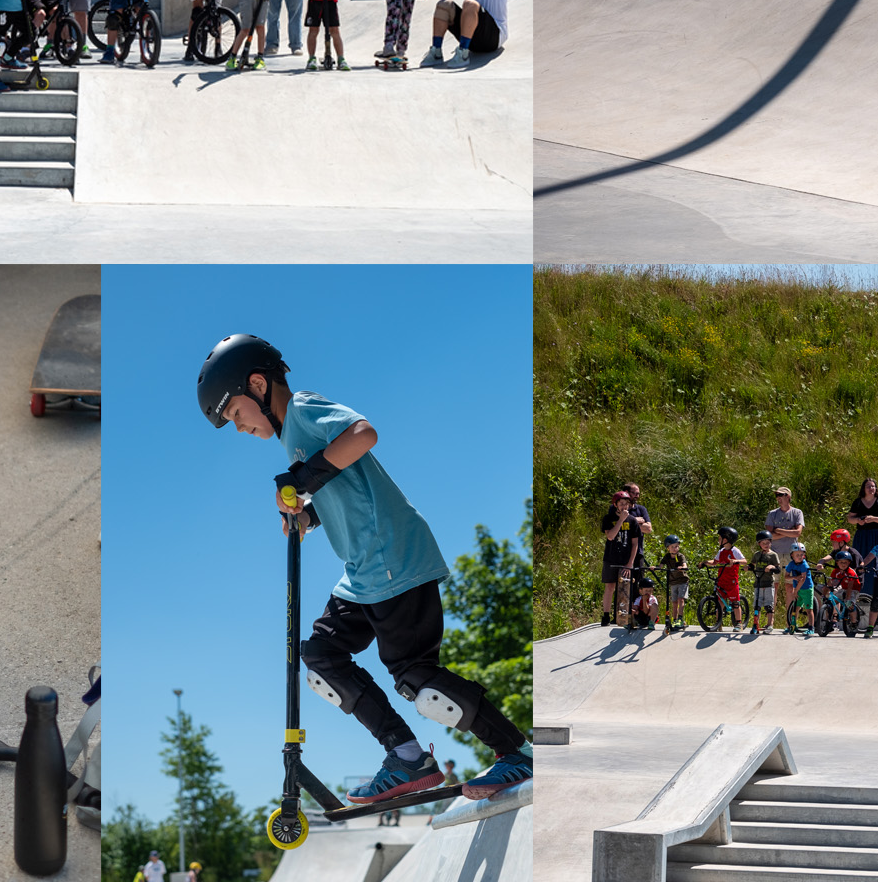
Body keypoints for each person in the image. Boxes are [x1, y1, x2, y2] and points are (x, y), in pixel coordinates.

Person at [192, 334, 528, 802]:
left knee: (416, 676)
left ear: (257, 385)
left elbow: (363, 434)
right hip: (364, 573)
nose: (239, 427)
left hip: (392, 558)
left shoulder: (304, 409)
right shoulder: (291, 439)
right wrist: (309, 514)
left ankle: (516, 752)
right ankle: (407, 757)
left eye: (235, 414)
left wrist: (305, 478)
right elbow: (343, 489)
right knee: (321, 658)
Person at [597, 485, 647, 626]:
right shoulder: (608, 518)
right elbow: (611, 536)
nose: (624, 506)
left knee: (625, 588)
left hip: (625, 559)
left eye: (626, 504)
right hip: (611, 558)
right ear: (616, 505)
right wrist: (620, 520)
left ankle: (623, 617)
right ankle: (606, 615)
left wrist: (630, 563)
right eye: (621, 504)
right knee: (610, 587)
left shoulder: (632, 521)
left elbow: (635, 543)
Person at [765, 486, 805, 615]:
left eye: (781, 495)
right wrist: (789, 532)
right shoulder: (772, 514)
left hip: (791, 554)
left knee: (790, 586)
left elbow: (798, 532)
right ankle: (770, 620)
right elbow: (769, 536)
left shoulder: (797, 513)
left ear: (788, 497)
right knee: (773, 587)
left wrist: (778, 530)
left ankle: (790, 620)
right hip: (774, 553)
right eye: (777, 496)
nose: (778, 498)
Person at [746, 530, 780, 634]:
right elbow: (752, 564)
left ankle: (770, 625)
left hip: (769, 583)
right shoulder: (757, 555)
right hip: (758, 583)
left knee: (769, 605)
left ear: (771, 542)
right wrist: (748, 567)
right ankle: (755, 624)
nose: (766, 545)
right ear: (759, 544)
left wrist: (771, 567)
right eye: (763, 543)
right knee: (757, 604)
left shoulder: (773, 555)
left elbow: (778, 569)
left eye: (768, 543)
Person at [655, 532, 689, 632]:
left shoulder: (680, 556)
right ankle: (674, 620)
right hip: (673, 582)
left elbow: (685, 565)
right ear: (668, 548)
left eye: (677, 546)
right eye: (673, 547)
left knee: (680, 599)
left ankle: (680, 618)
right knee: (674, 602)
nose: (675, 548)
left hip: (683, 581)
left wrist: (682, 568)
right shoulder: (666, 557)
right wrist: (655, 568)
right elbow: (660, 566)